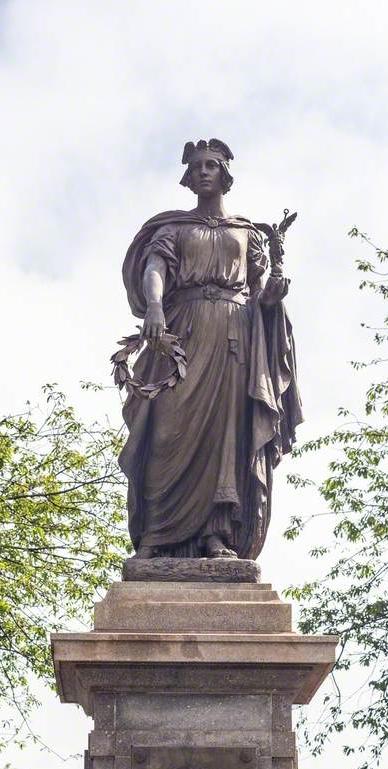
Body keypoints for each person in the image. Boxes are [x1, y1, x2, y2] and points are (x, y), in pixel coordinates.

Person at [119, 138, 302, 560]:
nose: (204, 171)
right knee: (166, 431)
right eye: (197, 166)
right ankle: (156, 535)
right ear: (188, 177)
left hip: (233, 342)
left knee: (226, 435)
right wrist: (153, 306)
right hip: (180, 334)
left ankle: (216, 534)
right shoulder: (172, 229)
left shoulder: (246, 233)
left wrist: (272, 297)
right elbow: (154, 269)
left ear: (224, 176)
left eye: (211, 166)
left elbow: (258, 292)